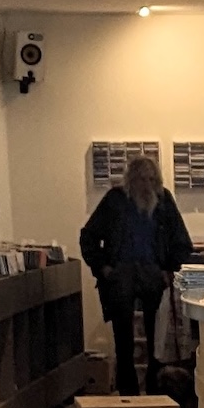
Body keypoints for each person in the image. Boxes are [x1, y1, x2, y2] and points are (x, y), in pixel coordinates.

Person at [79, 156, 193, 395]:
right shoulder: (115, 200)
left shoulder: (163, 200)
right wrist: (103, 268)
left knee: (157, 340)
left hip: (152, 272)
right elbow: (88, 236)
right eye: (142, 179)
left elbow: (182, 241)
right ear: (131, 179)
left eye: (152, 179)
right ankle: (127, 394)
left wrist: (169, 270)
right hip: (121, 273)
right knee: (123, 340)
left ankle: (155, 391)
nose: (147, 185)